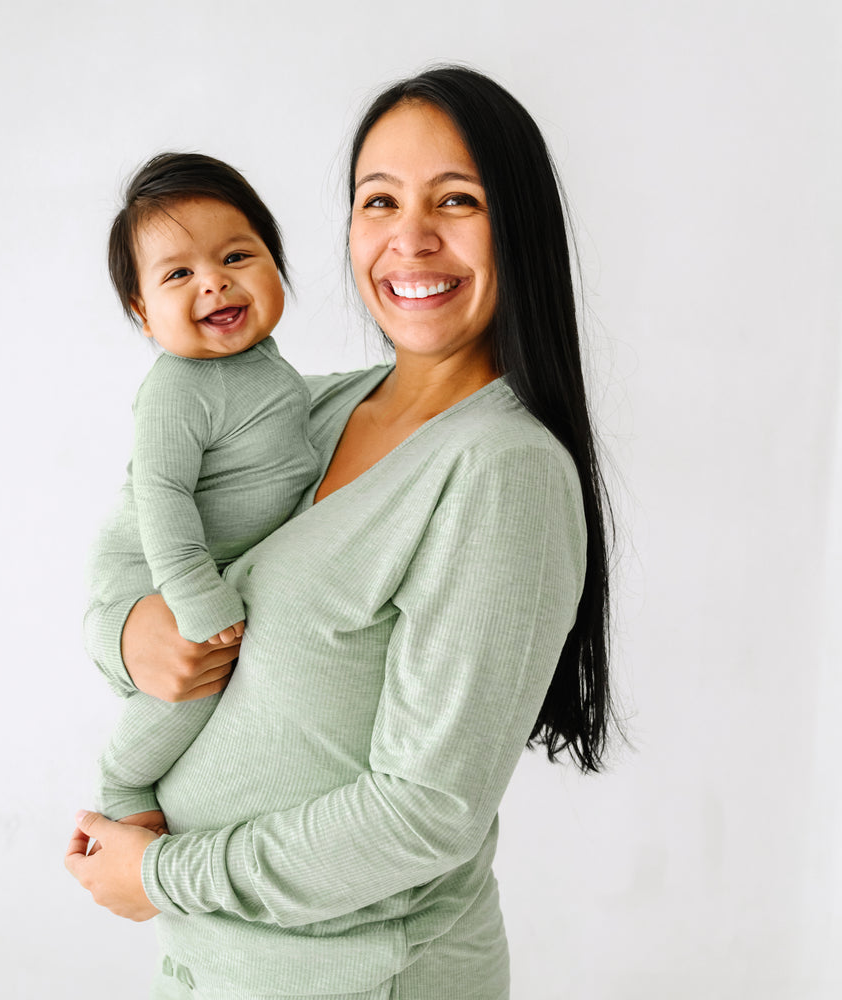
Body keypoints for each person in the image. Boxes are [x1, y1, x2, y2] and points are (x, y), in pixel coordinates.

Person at [67, 65, 617, 1000]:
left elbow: (423, 815)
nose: (411, 238)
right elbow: (127, 555)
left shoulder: (499, 471)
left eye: (457, 199)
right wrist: (129, 633)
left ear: (517, 224)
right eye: (379, 201)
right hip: (217, 965)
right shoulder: (306, 411)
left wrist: (161, 877)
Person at [89, 152, 319, 828]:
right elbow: (162, 494)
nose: (214, 285)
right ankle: (122, 786)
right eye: (180, 274)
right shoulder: (175, 389)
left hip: (202, 574)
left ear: (275, 264)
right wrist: (191, 593)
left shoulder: (268, 368)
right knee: (192, 683)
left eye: (237, 257)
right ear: (143, 311)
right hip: (154, 573)